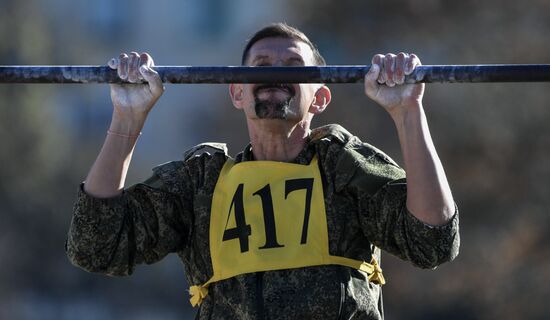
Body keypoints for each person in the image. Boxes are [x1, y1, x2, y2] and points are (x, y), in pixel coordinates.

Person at [66, 23, 459, 319]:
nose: (276, 75)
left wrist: (408, 113)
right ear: (237, 92)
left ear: (320, 97)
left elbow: (433, 242)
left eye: (293, 67)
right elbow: (96, 246)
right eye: (262, 66)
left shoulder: (345, 168)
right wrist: (127, 118)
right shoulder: (200, 184)